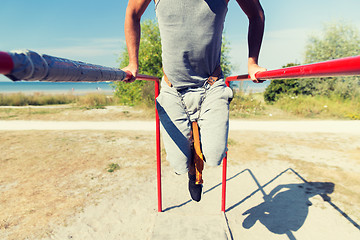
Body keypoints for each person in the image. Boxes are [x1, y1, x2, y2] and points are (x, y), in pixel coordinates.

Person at [122, 0, 266, 202]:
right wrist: (132, 63)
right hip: (173, 88)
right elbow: (132, 12)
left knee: (215, 156)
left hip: (211, 84)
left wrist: (253, 63)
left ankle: (199, 149)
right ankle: (192, 171)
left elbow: (256, 15)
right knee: (179, 164)